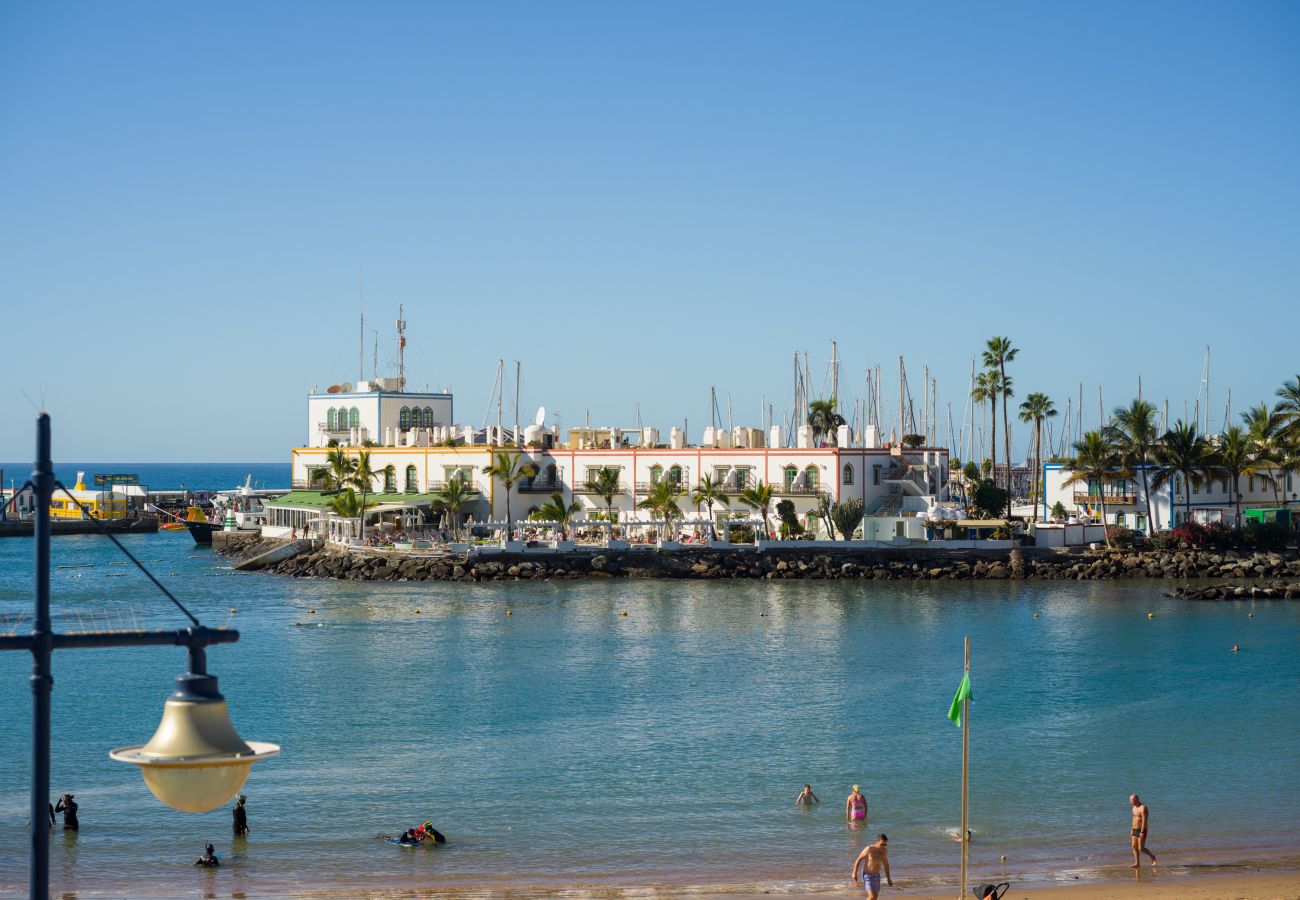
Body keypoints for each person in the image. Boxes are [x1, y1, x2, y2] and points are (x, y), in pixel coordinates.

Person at [851, 833, 893, 899]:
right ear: (877, 841)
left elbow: (886, 865)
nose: (883, 846)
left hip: (877, 875)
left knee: (875, 898)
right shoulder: (869, 849)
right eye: (882, 844)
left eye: (885, 844)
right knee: (871, 896)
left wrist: (888, 879)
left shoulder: (885, 851)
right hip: (867, 875)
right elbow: (859, 859)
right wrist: (854, 873)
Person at [1129, 794, 1157, 868]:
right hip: (1134, 829)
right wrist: (1131, 829)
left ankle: (1152, 856)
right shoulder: (1134, 808)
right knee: (1134, 847)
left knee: (1141, 848)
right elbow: (1133, 819)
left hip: (1141, 829)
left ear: (1136, 799)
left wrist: (1142, 832)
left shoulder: (1143, 808)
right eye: (1130, 800)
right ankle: (1137, 863)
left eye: (1131, 800)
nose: (1130, 802)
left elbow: (1144, 821)